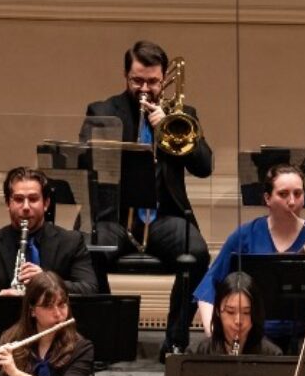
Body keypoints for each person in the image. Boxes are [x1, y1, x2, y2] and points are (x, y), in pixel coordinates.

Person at [82, 40, 212, 358]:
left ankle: (174, 341)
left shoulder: (182, 113)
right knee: (87, 252)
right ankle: (103, 340)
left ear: (164, 78)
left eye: (152, 82)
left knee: (197, 254)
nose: (144, 89)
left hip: (162, 217)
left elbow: (204, 166)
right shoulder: (102, 111)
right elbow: (85, 159)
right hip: (115, 215)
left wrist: (164, 127)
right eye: (137, 80)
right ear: (126, 76)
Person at [192, 163, 305, 368]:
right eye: (283, 194)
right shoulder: (245, 235)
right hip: (256, 333)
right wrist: (216, 333)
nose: (292, 202)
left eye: (298, 194)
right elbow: (209, 289)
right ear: (267, 198)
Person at [0, 167, 97, 326]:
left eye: (33, 199)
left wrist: (48, 283)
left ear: (46, 203)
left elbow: (89, 289)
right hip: (5, 337)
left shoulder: (71, 241)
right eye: (19, 199)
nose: (26, 207)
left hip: (56, 336)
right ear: (8, 203)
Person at [189, 271, 282, 357]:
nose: (238, 321)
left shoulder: (272, 354)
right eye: (230, 312)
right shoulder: (196, 353)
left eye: (246, 312)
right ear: (217, 311)